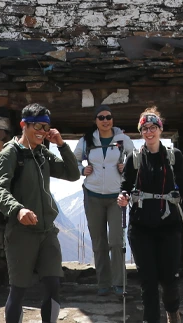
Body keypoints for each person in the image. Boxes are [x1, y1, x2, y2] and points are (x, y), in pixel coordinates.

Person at [0, 103, 81, 323]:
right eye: (37, 126)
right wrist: (18, 209)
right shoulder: (10, 154)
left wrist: (61, 145)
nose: (42, 131)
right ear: (24, 125)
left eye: (46, 126)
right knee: (18, 289)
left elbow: (72, 174)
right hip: (21, 232)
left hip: (47, 231)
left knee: (53, 285)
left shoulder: (42, 153)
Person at [117, 107, 183, 323]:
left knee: (170, 279)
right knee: (148, 281)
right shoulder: (134, 158)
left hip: (169, 226)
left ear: (160, 129)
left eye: (153, 127)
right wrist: (123, 197)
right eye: (144, 128)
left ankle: (173, 313)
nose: (149, 132)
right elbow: (125, 187)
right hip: (140, 227)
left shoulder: (174, 156)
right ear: (140, 132)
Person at [74, 106, 134, 296]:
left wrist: (126, 167)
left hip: (117, 196)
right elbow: (73, 161)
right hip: (92, 195)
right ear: (96, 120)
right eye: (101, 117)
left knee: (116, 241)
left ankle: (119, 283)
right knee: (99, 242)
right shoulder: (86, 141)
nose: (105, 120)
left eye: (108, 117)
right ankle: (104, 283)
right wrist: (82, 170)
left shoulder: (123, 139)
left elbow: (136, 160)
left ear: (113, 119)